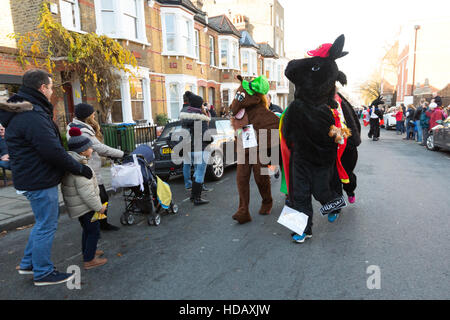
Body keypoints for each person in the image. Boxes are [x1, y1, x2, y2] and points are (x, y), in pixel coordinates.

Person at [0, 69, 93, 286]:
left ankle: (28, 264)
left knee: (42, 223)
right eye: (51, 87)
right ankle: (43, 272)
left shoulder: (27, 111)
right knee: (46, 225)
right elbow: (52, 151)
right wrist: (80, 169)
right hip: (38, 180)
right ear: (42, 88)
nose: (52, 92)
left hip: (31, 177)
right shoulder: (32, 116)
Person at [67, 103, 124, 231]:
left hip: (90, 168)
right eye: (92, 113)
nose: (94, 115)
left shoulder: (77, 127)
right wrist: (122, 154)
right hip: (89, 170)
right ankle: (97, 225)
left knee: (101, 197)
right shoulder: (83, 131)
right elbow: (100, 148)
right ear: (87, 116)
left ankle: (99, 224)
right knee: (101, 198)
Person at [62, 127, 108, 269]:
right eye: (89, 148)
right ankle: (89, 260)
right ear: (82, 151)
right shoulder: (81, 168)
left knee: (87, 230)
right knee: (93, 231)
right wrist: (99, 207)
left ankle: (88, 251)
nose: (92, 150)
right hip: (86, 207)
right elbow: (87, 194)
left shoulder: (73, 163)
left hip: (80, 207)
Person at [180, 91, 212, 205]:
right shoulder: (201, 118)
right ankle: (197, 198)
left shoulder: (185, 118)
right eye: (202, 104)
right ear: (199, 105)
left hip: (190, 150)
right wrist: (211, 139)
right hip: (200, 149)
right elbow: (205, 136)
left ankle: (193, 197)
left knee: (195, 172)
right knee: (199, 173)